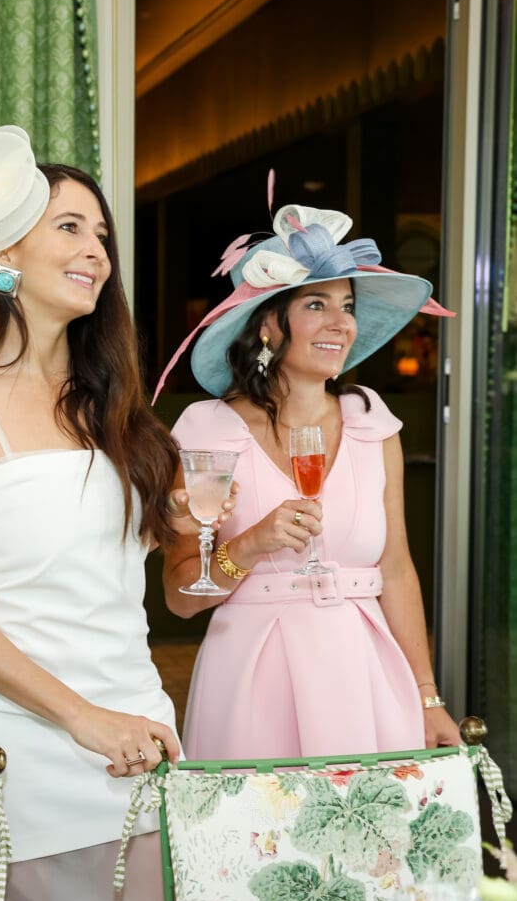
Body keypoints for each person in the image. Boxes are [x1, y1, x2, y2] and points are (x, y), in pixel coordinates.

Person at [0, 125, 230, 901]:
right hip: (12, 749)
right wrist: (81, 718)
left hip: (135, 736)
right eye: (71, 228)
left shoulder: (111, 406)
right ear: (4, 248)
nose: (96, 252)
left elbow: (184, 594)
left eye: (102, 235)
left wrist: (214, 541)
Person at [159, 194, 460, 762]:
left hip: (364, 672)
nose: (341, 323)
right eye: (316, 304)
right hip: (251, 679)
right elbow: (180, 596)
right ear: (269, 326)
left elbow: (395, 566)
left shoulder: (372, 420)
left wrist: (426, 697)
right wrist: (250, 545)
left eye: (346, 305)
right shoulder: (208, 429)